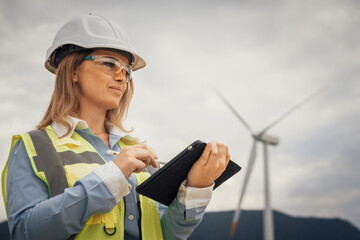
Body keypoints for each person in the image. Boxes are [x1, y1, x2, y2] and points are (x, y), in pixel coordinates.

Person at [2, 14, 230, 240]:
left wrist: (195, 188)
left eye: (127, 71)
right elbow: (25, 233)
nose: (122, 77)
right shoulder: (33, 148)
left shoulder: (139, 150)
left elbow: (166, 234)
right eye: (110, 64)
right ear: (72, 70)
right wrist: (112, 177)